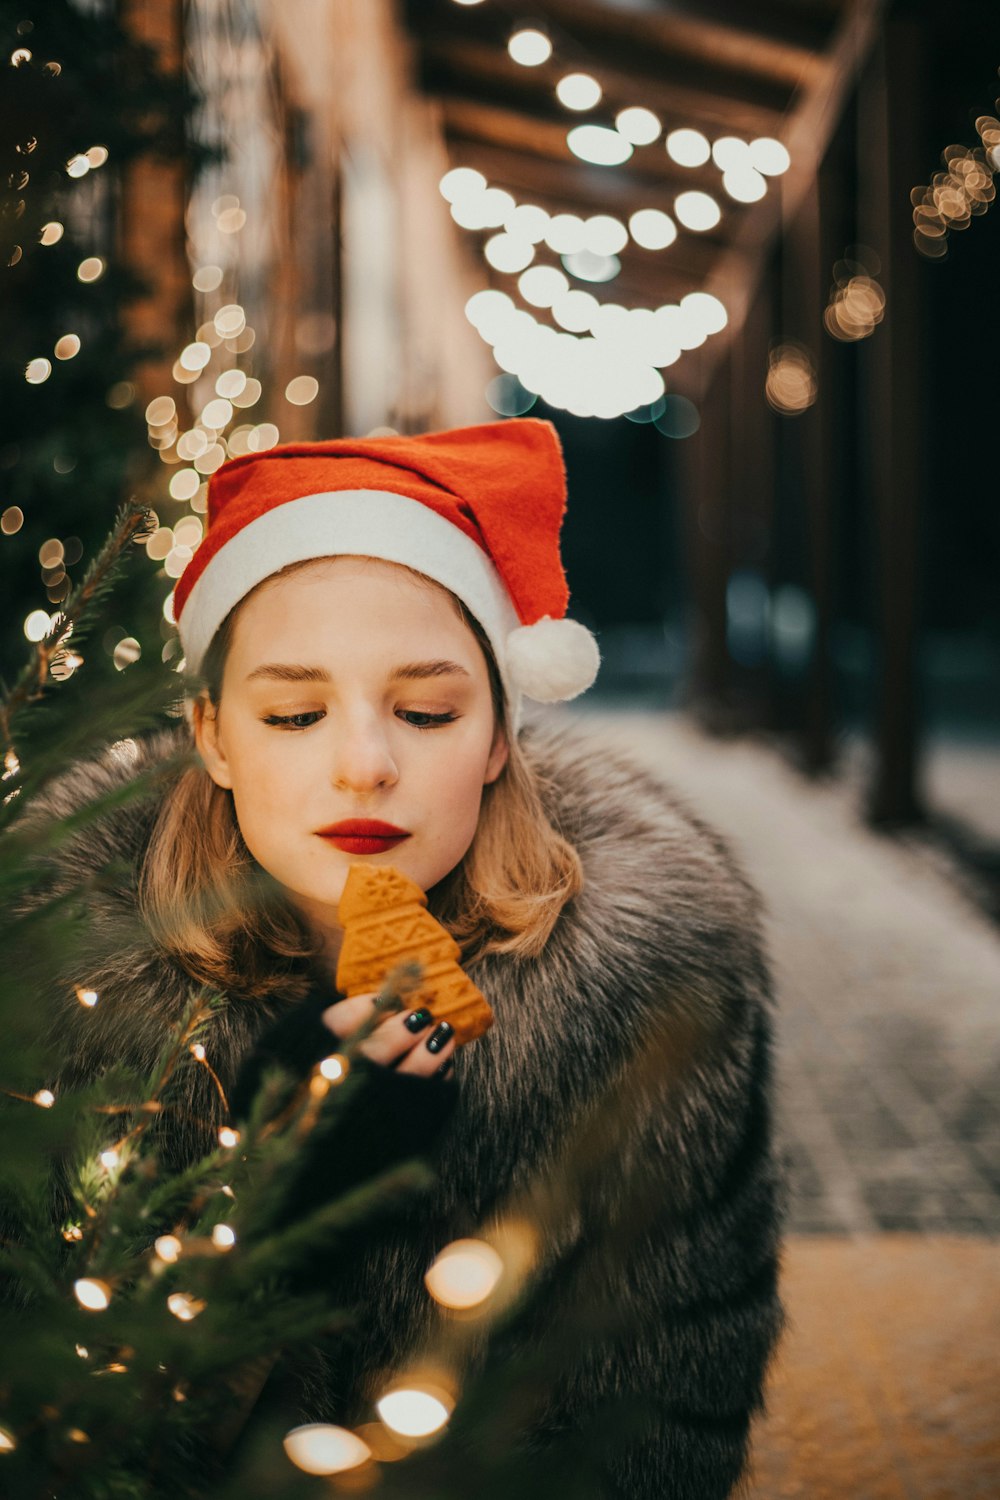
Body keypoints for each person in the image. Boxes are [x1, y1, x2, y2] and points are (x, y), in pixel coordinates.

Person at [35, 419, 783, 1497]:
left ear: (495, 740)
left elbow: (657, 1414)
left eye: (426, 711)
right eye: (294, 713)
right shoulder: (69, 983)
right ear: (211, 736)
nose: (365, 766)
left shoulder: (650, 983)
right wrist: (266, 1209)